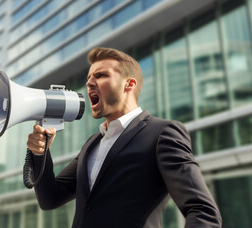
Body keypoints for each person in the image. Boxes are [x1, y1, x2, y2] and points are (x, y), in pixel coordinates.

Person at [27, 47, 222, 228]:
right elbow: (50, 198)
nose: (89, 83)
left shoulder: (162, 133)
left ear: (129, 84)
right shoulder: (92, 144)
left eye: (100, 75)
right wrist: (40, 153)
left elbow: (203, 212)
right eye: (88, 78)